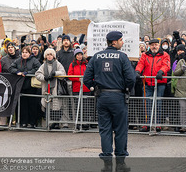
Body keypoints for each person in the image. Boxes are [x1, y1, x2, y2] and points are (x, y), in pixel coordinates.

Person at [83, 31, 136, 171]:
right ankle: (120, 163)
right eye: (120, 40)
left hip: (102, 97)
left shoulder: (96, 56)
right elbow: (131, 78)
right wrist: (126, 88)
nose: (122, 42)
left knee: (105, 130)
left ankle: (107, 164)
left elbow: (86, 78)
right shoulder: (122, 57)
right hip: (118, 97)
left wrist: (94, 88)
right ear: (114, 42)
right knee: (120, 130)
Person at [135, 38, 171, 132]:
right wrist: (138, 71)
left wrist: (161, 71)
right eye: (152, 45)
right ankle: (147, 124)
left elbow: (166, 65)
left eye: (155, 45)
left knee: (158, 103)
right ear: (149, 46)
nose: (154, 46)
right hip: (147, 82)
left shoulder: (164, 55)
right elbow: (140, 64)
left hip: (160, 83)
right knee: (146, 103)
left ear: (158, 45)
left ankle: (157, 124)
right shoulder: (145, 55)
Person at [10, 46, 41, 128]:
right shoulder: (18, 61)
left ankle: (32, 122)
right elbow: (11, 67)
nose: (24, 54)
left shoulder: (34, 60)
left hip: (31, 86)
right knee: (22, 105)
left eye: (26, 52)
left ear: (29, 53)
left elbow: (38, 68)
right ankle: (23, 122)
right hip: (21, 86)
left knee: (32, 105)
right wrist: (17, 72)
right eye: (23, 52)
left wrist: (28, 73)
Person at [35, 48, 66, 129]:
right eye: (48, 54)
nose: (49, 56)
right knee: (47, 106)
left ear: (54, 56)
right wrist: (44, 78)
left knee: (56, 106)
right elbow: (37, 74)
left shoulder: (58, 64)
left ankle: (56, 123)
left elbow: (63, 73)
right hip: (46, 88)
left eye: (51, 54)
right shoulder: (43, 65)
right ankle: (50, 122)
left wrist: (55, 73)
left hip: (55, 88)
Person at [68, 48, 92, 129]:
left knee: (86, 106)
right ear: (75, 56)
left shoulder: (86, 64)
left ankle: (85, 123)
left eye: (81, 54)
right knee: (78, 106)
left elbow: (90, 73)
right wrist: (78, 79)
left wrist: (87, 80)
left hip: (86, 88)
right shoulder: (72, 64)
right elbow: (70, 75)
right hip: (77, 88)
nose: (79, 56)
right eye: (78, 55)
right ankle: (78, 123)